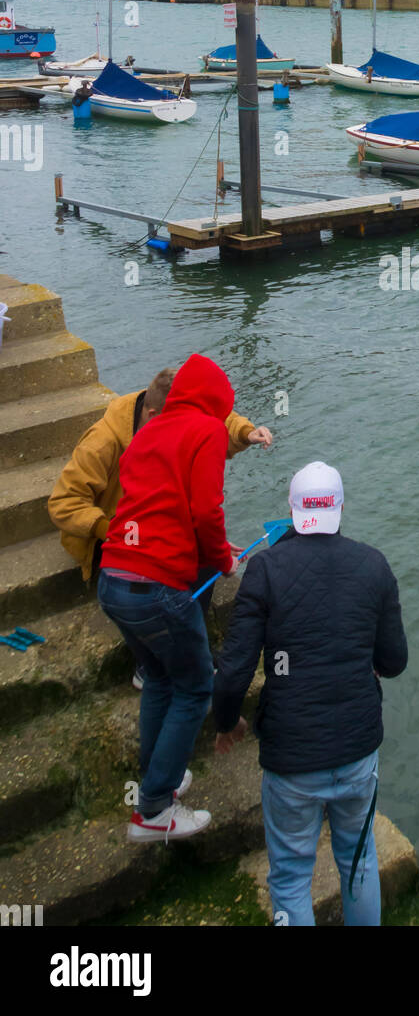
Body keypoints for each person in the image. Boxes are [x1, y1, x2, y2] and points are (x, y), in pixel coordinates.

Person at [212, 461, 408, 926]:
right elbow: (394, 661)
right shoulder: (374, 565)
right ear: (340, 509)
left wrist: (227, 722)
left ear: (294, 512)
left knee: (292, 875)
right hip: (358, 751)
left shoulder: (263, 570)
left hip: (291, 759)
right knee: (359, 863)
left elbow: (233, 669)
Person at [97, 354, 241, 842]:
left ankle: (161, 779)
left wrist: (208, 547)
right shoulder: (208, 431)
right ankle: (155, 810)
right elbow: (205, 510)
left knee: (158, 678)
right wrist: (223, 559)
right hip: (157, 587)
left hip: (114, 578)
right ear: (218, 402)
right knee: (197, 687)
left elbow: (157, 508)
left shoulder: (148, 433)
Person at [48, 366, 271, 586]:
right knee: (199, 561)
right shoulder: (100, 444)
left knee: (205, 548)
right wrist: (115, 532)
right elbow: (64, 503)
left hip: (151, 521)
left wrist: (245, 433)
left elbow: (214, 416)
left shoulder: (163, 416)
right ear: (155, 415)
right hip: (111, 535)